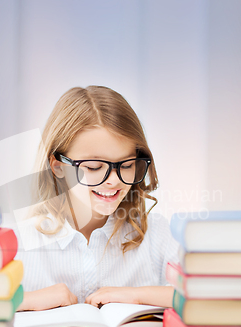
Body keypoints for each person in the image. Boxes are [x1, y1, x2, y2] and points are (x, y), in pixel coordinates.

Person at [14, 85, 179, 311]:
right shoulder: (21, 243)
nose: (112, 180)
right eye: (93, 167)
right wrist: (26, 301)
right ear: (58, 167)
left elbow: (206, 297)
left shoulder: (156, 235)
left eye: (127, 165)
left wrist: (139, 296)